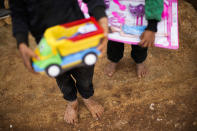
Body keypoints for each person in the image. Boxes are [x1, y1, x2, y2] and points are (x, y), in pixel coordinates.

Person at [9, 0, 108, 124]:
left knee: (86, 75)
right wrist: (21, 41)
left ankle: (87, 97)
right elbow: (18, 12)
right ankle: (72, 101)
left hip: (77, 35)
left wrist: (101, 17)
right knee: (61, 77)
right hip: (48, 43)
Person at [105, 0, 163, 78]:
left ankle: (139, 61)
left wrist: (152, 26)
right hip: (116, 8)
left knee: (141, 40)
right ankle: (114, 59)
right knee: (114, 39)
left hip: (142, 10)